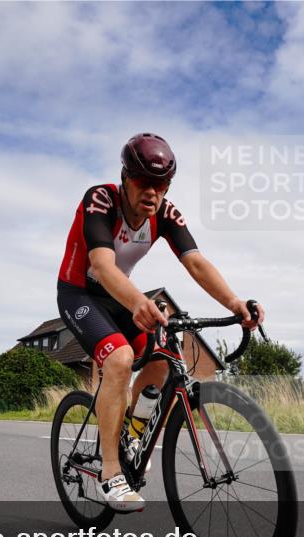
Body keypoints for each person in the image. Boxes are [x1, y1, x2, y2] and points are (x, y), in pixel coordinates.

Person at [56, 133, 264, 512]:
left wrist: (235, 302)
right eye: (143, 182)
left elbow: (197, 263)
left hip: (122, 296)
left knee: (165, 355)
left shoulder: (165, 214)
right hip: (81, 294)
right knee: (118, 359)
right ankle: (111, 471)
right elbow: (102, 266)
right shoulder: (100, 200)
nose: (153, 192)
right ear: (125, 177)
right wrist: (139, 301)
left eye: (162, 185)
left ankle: (134, 430)